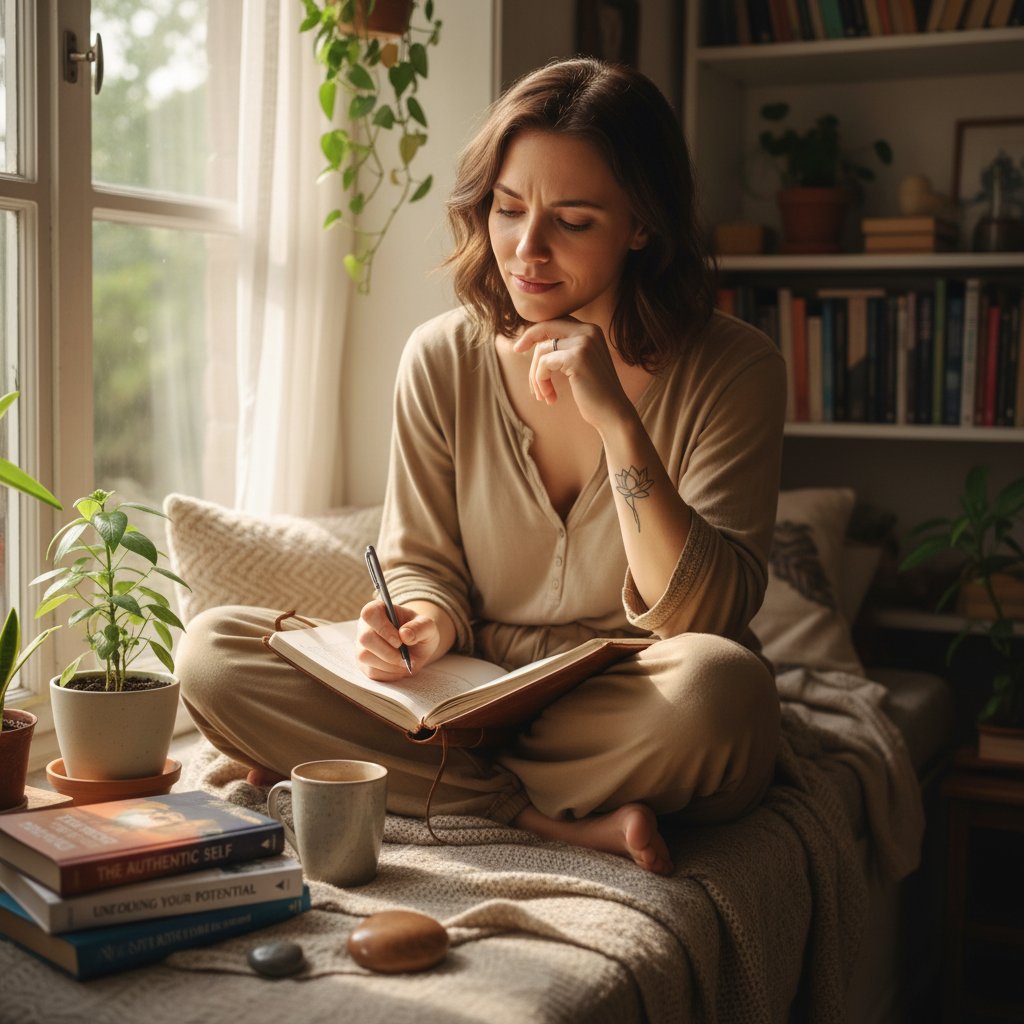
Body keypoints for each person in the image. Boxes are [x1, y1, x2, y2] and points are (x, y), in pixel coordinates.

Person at [178, 57, 786, 876]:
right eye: (507, 209)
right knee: (214, 653)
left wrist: (616, 422)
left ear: (642, 226)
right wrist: (423, 621)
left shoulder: (737, 367)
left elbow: (704, 617)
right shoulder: (441, 357)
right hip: (468, 697)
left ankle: (422, 782)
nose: (526, 250)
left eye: (573, 221)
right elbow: (422, 562)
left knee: (722, 692)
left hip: (631, 702)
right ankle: (534, 813)